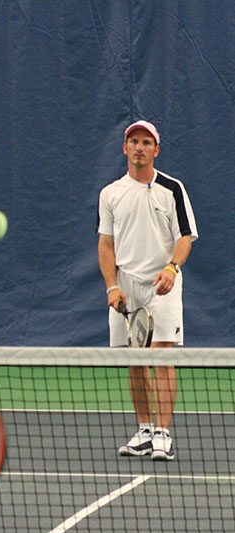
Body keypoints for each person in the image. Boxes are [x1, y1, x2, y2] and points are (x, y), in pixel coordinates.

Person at [98, 119, 197, 461]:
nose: (139, 148)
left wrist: (173, 267)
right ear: (125, 148)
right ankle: (144, 430)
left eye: (146, 143)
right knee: (135, 360)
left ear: (156, 150)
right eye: (133, 142)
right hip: (126, 285)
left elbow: (185, 236)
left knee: (161, 357)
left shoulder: (172, 189)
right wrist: (112, 285)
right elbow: (106, 245)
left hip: (162, 284)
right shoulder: (110, 193)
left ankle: (163, 434)